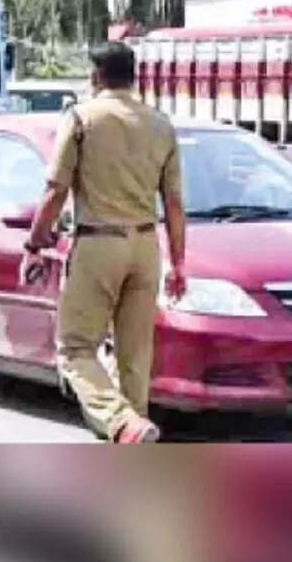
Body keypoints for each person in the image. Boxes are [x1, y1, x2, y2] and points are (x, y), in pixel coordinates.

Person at [23, 42, 187, 443]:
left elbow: (54, 190)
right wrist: (179, 263)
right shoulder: (161, 124)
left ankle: (121, 423)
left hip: (99, 244)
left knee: (75, 349)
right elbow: (175, 202)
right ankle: (134, 439)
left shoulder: (81, 118)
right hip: (147, 247)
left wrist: (34, 243)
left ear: (96, 77)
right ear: (135, 76)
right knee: (135, 358)